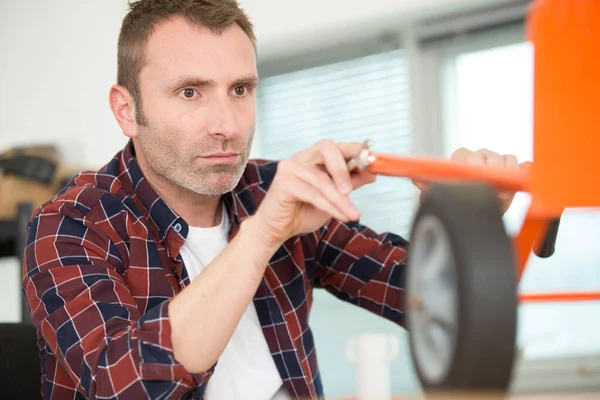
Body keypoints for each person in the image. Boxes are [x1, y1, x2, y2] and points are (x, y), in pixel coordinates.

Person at [21, 1, 523, 399]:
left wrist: (475, 223)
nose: (227, 125)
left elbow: (416, 296)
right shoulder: (67, 226)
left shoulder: (270, 188)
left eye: (240, 89)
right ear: (126, 110)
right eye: (191, 92)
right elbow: (125, 385)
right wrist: (264, 233)